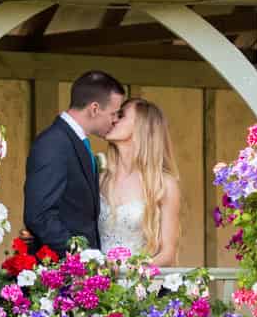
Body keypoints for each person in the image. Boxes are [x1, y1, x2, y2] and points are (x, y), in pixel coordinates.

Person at [23, 71, 125, 256]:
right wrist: (80, 253)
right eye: (113, 113)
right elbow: (39, 215)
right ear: (94, 109)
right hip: (62, 271)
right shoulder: (53, 143)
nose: (115, 120)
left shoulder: (76, 141)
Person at [99, 98, 180, 265]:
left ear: (141, 126)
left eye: (121, 115)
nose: (113, 119)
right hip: (100, 284)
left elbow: (168, 253)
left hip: (140, 284)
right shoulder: (99, 179)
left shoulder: (164, 184)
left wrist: (133, 271)